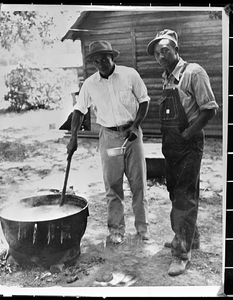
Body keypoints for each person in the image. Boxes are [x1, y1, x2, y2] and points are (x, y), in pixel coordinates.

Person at [146, 29, 219, 276]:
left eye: (165, 50)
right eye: (156, 53)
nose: (160, 56)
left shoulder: (193, 73)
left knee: (185, 197)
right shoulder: (166, 77)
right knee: (174, 192)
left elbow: (210, 110)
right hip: (171, 146)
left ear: (176, 49)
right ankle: (189, 236)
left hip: (189, 145)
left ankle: (181, 253)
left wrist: (187, 134)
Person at [66, 40, 151, 244]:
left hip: (132, 135)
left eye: (104, 58)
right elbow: (79, 110)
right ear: (93, 63)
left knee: (138, 183)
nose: (101, 63)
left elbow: (144, 101)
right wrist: (73, 137)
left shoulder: (130, 74)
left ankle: (142, 227)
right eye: (96, 60)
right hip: (109, 137)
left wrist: (135, 126)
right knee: (112, 186)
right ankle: (116, 230)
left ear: (112, 57)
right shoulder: (90, 84)